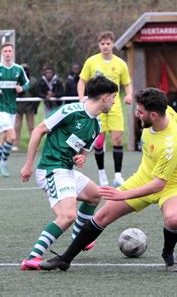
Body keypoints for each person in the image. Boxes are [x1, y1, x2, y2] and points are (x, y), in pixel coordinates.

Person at [39, 87, 177, 273]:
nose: (137, 115)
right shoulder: (167, 111)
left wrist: (121, 194)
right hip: (143, 178)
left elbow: (159, 185)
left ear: (154, 115)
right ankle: (65, 259)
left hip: (173, 185)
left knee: (173, 219)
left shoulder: (171, 145)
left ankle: (168, 253)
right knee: (101, 216)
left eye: (140, 112)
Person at [19, 75, 118, 270]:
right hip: (51, 168)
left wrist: (81, 158)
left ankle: (78, 237)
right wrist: (28, 165)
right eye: (114, 97)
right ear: (105, 97)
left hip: (66, 169)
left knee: (95, 195)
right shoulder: (70, 111)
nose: (115, 102)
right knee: (67, 216)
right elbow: (38, 130)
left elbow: (82, 152)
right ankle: (32, 257)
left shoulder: (96, 124)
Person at [78, 31, 133, 187]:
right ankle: (102, 175)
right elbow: (82, 81)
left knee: (117, 139)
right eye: (102, 44)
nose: (105, 46)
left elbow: (127, 83)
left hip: (114, 107)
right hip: (97, 107)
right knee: (99, 141)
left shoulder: (120, 63)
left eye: (108, 43)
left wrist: (129, 95)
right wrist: (81, 96)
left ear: (112, 44)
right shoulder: (91, 62)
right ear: (99, 45)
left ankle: (117, 176)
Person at [0, 43, 29, 177]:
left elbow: (27, 83)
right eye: (5, 51)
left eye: (10, 51)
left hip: (11, 107)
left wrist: (22, 88)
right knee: (12, 136)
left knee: (4, 138)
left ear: (13, 53)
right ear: (2, 53)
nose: (8, 53)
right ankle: (3, 163)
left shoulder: (18, 69)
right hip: (0, 107)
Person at [14, 64, 39, 151]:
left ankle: (33, 146)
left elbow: (36, 95)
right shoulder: (16, 80)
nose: (25, 72)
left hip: (30, 107)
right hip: (18, 107)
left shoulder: (33, 81)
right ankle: (16, 145)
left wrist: (35, 108)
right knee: (17, 127)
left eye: (26, 70)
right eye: (23, 70)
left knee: (31, 127)